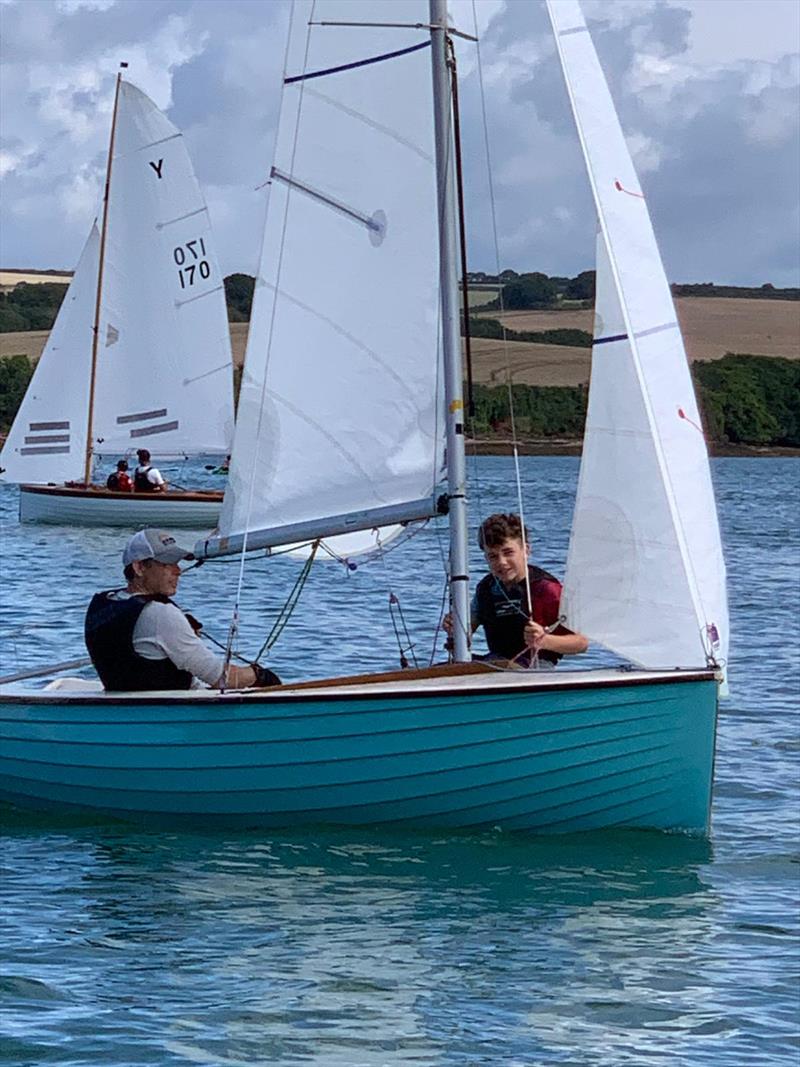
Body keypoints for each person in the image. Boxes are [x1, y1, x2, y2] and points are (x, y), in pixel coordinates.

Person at [85, 528, 281, 691]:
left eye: (177, 563)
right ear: (139, 567)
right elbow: (223, 679)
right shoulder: (159, 614)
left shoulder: (104, 603)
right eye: (167, 564)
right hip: (165, 716)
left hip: (124, 708)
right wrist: (260, 674)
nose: (177, 570)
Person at [443, 513, 588, 668]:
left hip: (535, 668)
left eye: (508, 553)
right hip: (495, 662)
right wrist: (455, 629)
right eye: (493, 556)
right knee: (442, 669)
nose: (501, 562)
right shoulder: (486, 589)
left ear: (525, 550)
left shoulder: (547, 589)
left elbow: (581, 643)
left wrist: (545, 641)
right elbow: (467, 632)